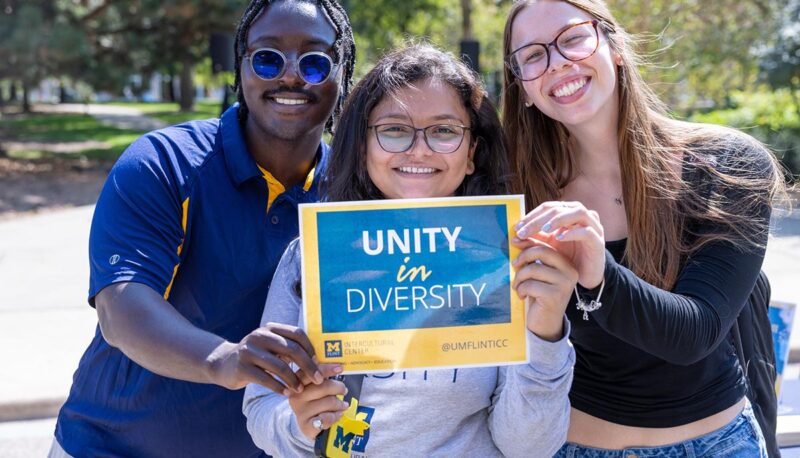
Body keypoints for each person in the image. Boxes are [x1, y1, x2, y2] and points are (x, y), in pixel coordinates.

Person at [51, 1, 356, 456]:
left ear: (342, 77)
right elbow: (120, 309)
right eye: (268, 58)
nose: (290, 76)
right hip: (109, 447)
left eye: (315, 63)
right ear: (240, 68)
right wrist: (223, 360)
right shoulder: (164, 163)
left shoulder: (351, 198)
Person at [242, 44, 576, 457]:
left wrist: (544, 332)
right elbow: (260, 409)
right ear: (364, 148)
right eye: (395, 129)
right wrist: (298, 422)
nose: (419, 149)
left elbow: (528, 447)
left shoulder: (508, 263)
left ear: (472, 154)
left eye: (444, 131)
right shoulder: (308, 257)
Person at [502, 1, 787, 456]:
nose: (557, 62)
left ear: (614, 48)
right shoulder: (513, 195)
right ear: (523, 88)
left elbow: (696, 333)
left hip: (720, 445)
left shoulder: (728, 166)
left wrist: (600, 274)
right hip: (577, 446)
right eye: (533, 56)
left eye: (573, 39)